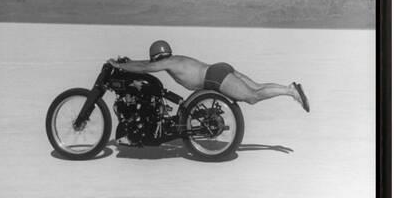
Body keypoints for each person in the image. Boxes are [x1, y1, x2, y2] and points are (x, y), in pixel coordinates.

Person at [108, 40, 309, 112]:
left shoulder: (167, 62)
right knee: (256, 87)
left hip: (213, 77)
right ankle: (288, 87)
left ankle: (290, 91)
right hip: (219, 69)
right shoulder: (175, 59)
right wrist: (127, 63)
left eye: (154, 59)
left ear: (156, 56)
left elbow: (145, 68)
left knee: (252, 97)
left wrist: (120, 65)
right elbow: (144, 64)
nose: (154, 62)